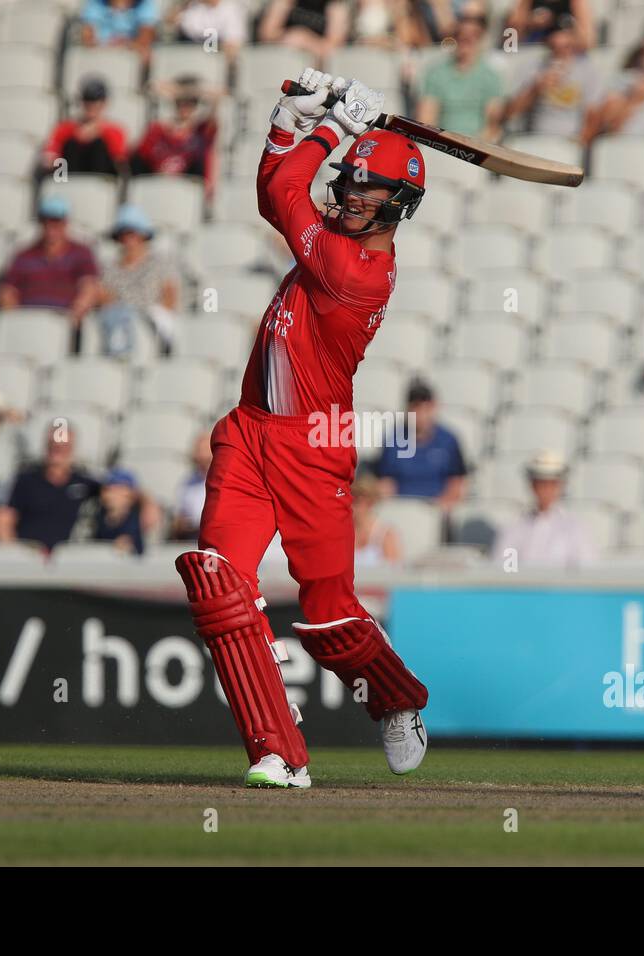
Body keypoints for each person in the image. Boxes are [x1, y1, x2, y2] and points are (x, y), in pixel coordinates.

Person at [174, 69, 431, 790]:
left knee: (327, 616)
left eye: (365, 188)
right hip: (249, 432)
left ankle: (399, 698)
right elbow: (272, 193)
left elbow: (288, 194)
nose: (348, 193)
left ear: (398, 206)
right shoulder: (333, 238)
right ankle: (275, 751)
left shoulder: (354, 272)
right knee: (218, 584)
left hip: (314, 448)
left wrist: (328, 128)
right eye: (346, 181)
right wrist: (292, 114)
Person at [0, 422, 101, 552]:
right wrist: (14, 554)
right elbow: (2, 519)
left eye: (64, 446)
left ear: (72, 448)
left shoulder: (86, 483)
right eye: (53, 445)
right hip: (28, 556)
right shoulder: (24, 480)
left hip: (69, 559)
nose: (58, 450)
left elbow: (118, 497)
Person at [0, 195, 100, 328]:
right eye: (47, 221)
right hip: (28, 320)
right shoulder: (24, 255)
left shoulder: (81, 253)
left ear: (65, 223)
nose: (51, 227)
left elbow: (89, 287)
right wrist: (16, 319)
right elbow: (7, 291)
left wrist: (72, 317)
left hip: (63, 320)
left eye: (56, 221)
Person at [94, 204, 180, 357]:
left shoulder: (160, 262)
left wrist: (155, 315)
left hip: (152, 321)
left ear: (143, 235)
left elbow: (170, 294)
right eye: (124, 234)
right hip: (120, 321)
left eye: (133, 233)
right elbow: (104, 296)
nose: (129, 239)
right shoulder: (110, 268)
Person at [373, 380, 469, 510]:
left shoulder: (448, 441)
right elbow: (386, 483)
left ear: (433, 407)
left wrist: (438, 510)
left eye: (426, 408)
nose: (421, 414)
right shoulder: (394, 440)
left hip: (437, 511)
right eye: (416, 407)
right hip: (401, 509)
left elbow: (457, 483)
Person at [493, 450, 596, 569]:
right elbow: (506, 571)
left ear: (560, 485)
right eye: (541, 483)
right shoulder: (513, 528)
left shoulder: (575, 529)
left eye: (552, 484)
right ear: (532, 485)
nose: (546, 490)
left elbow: (586, 573)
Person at [506, 25, 604, 144]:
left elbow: (593, 115)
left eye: (567, 46)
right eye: (555, 47)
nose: (561, 52)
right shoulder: (532, 66)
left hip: (570, 143)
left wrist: (577, 146)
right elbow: (510, 112)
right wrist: (535, 90)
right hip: (533, 139)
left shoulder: (588, 70)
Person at [416, 10, 506, 139]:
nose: (466, 38)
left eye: (474, 34)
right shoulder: (436, 73)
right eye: (460, 34)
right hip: (443, 144)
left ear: (481, 38)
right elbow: (426, 120)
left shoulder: (491, 76)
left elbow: (492, 125)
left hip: (478, 146)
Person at [132, 76, 220, 198]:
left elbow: (217, 97)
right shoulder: (158, 130)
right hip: (158, 187)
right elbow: (151, 86)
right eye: (180, 102)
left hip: (187, 193)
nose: (185, 107)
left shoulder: (201, 131)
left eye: (191, 102)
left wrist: (185, 90)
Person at [41, 76, 129, 177]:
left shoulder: (115, 131)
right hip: (67, 180)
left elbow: (120, 162)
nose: (91, 106)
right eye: (87, 101)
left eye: (95, 101)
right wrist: (77, 136)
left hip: (101, 182)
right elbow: (50, 158)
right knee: (71, 145)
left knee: (99, 146)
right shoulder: (65, 128)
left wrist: (98, 132)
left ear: (104, 103)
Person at [90, 467, 160, 554]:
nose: (110, 494)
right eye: (108, 489)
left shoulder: (139, 515)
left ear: (130, 493)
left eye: (117, 489)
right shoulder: (97, 513)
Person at [257, 0, 350, 59]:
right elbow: (266, 34)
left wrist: (306, 41)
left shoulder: (335, 6)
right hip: (283, 59)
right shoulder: (285, 2)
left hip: (316, 71)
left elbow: (334, 49)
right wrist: (289, 37)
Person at [80, 0, 159, 64]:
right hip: (99, 60)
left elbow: (146, 38)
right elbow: (87, 37)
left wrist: (127, 45)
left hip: (130, 62)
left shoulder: (145, 3)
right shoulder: (96, 2)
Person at [169, 430, 212, 540]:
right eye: (197, 450)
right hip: (191, 536)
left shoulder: (227, 479)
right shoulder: (187, 482)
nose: (198, 454)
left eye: (202, 449)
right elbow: (177, 517)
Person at [353, 473, 401, 566]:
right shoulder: (340, 532)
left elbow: (394, 574)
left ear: (370, 502)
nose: (351, 504)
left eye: (357, 500)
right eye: (350, 498)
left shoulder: (385, 534)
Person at [173, 0, 248, 56]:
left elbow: (233, 42)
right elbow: (175, 21)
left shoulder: (231, 8)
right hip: (193, 57)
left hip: (220, 60)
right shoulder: (194, 7)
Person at [506, 0, 596, 46]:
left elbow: (588, 41)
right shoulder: (527, 2)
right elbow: (509, 40)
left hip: (566, 64)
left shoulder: (576, 3)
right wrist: (530, 22)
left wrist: (567, 39)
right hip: (531, 60)